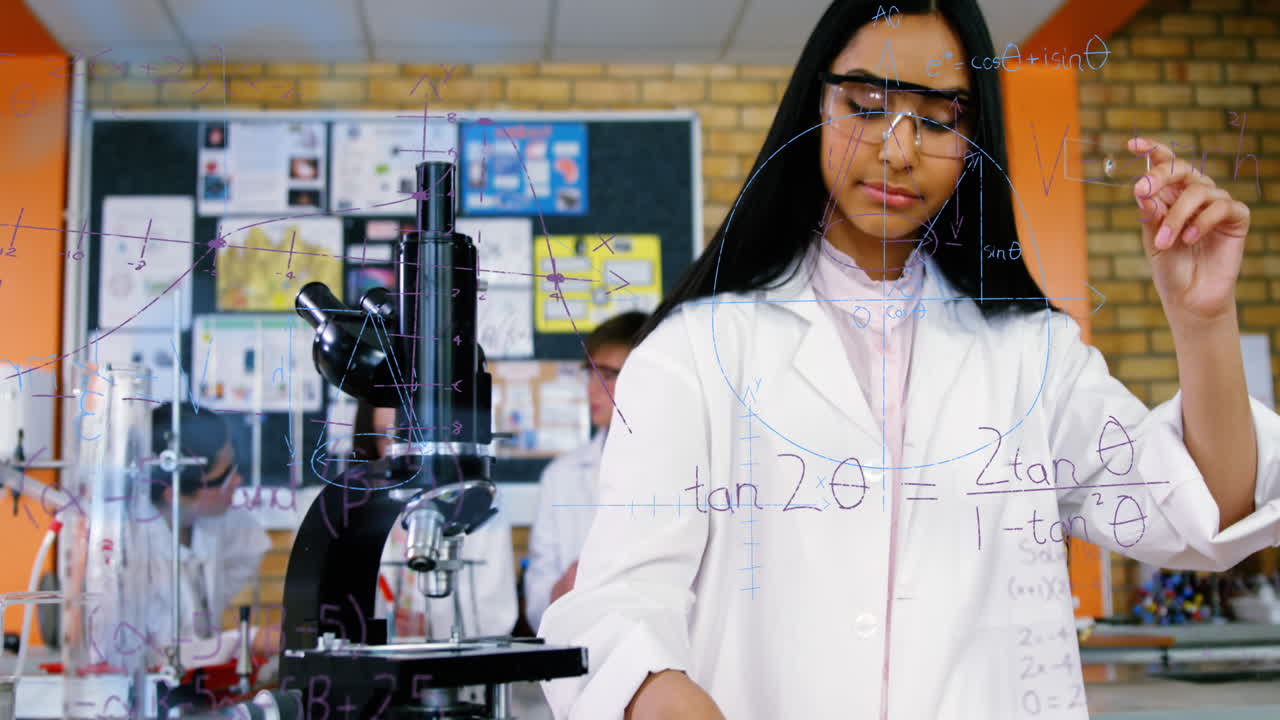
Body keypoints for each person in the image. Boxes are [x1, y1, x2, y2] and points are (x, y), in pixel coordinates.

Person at [537, 2, 1280, 719]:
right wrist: (660, 691)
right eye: (864, 105)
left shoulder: (1030, 357)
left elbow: (1201, 513)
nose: (897, 149)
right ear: (813, 109)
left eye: (935, 119)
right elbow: (615, 603)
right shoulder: (695, 352)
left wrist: (1202, 320)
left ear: (973, 136)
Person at [525, 311, 649, 632]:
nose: (593, 389)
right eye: (591, 374)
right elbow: (537, 606)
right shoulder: (561, 477)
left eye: (608, 375)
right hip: (581, 653)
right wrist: (563, 590)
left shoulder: (684, 469)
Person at [353, 401, 518, 639]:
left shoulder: (479, 504)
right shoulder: (359, 509)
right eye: (383, 437)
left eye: (404, 437)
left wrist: (433, 631)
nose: (394, 451)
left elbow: (498, 618)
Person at [138, 403, 271, 662]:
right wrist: (250, 640)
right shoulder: (132, 552)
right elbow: (163, 656)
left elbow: (248, 550)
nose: (237, 481)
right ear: (173, 492)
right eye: (223, 477)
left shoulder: (218, 520)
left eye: (235, 466)